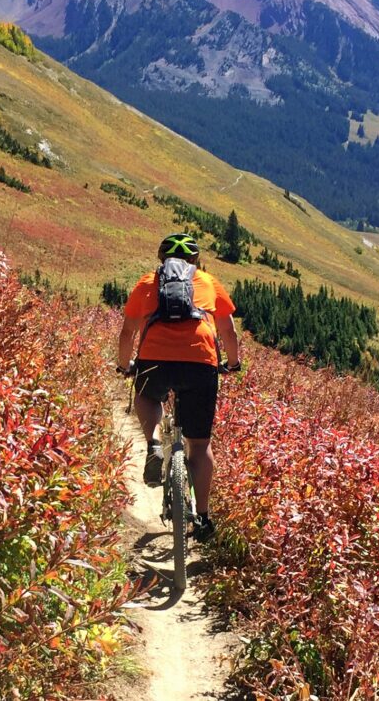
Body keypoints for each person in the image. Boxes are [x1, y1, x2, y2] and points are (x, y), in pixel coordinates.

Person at [117, 232, 240, 542]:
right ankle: (203, 517)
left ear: (162, 260)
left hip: (154, 357)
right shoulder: (208, 281)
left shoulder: (147, 282)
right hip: (200, 362)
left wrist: (124, 365)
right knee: (199, 445)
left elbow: (127, 332)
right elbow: (228, 331)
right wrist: (234, 363)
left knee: (147, 396)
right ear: (194, 261)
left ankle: (155, 443)